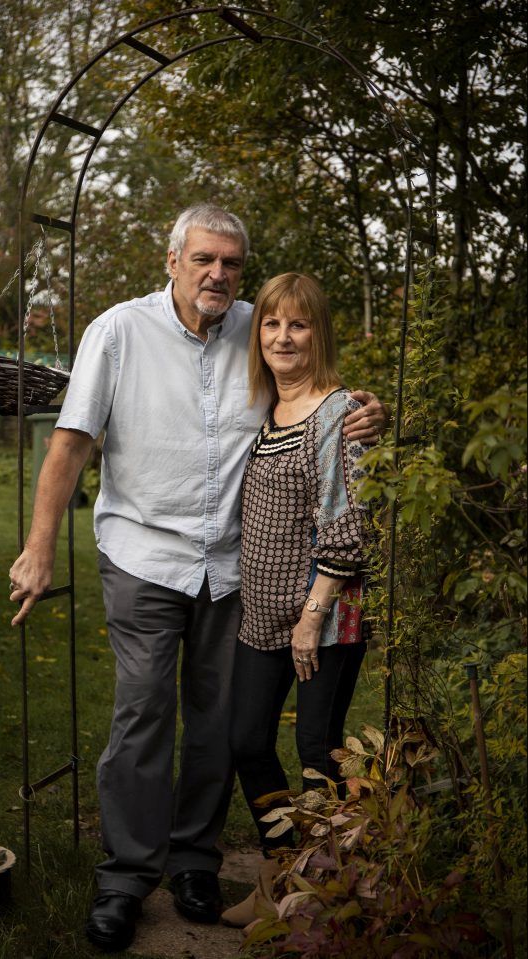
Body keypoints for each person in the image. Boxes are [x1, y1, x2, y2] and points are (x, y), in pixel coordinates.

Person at [8, 205, 387, 953]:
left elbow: (320, 392)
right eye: (204, 258)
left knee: (217, 724)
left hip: (232, 565)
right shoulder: (119, 331)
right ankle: (124, 877)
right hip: (144, 555)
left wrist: (368, 409)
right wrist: (38, 545)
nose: (218, 274)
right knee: (142, 712)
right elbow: (72, 439)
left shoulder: (257, 324)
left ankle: (194, 862)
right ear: (172, 258)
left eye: (231, 262)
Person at [222, 272, 372, 928]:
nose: (283, 336)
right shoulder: (264, 410)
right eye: (272, 324)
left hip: (325, 616)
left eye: (299, 324)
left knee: (317, 752)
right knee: (246, 740)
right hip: (262, 615)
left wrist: (312, 615)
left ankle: (322, 902)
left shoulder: (336, 412)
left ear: (319, 334)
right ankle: (282, 879)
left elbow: (347, 526)